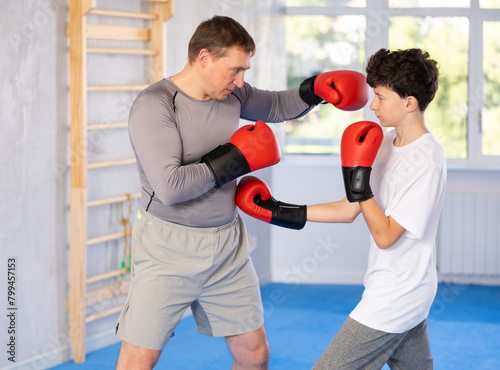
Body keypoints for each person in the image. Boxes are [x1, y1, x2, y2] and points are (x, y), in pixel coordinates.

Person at [114, 15, 369, 369]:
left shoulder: (231, 94)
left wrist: (315, 91)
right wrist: (235, 160)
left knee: (255, 354)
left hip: (226, 246)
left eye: (245, 70)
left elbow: (278, 105)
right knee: (138, 359)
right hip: (166, 249)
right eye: (234, 70)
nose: (240, 81)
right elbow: (170, 188)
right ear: (204, 58)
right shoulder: (155, 105)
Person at [236, 48, 447, 369]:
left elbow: (386, 235)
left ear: (409, 103)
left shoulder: (427, 161)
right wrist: (279, 210)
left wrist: (358, 182)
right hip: (398, 286)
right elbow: (352, 208)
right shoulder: (388, 144)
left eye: (380, 97)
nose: (372, 105)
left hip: (398, 294)